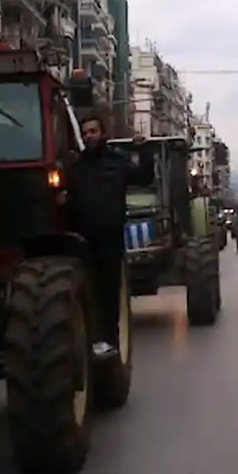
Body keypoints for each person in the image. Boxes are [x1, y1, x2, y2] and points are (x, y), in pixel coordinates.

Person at [58, 115, 154, 357]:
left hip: (110, 239)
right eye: (85, 133)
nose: (89, 136)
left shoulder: (118, 162)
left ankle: (110, 340)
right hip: (82, 241)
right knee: (86, 293)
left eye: (93, 131)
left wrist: (144, 151)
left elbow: (144, 178)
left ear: (102, 133)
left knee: (109, 292)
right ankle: (89, 340)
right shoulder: (75, 167)